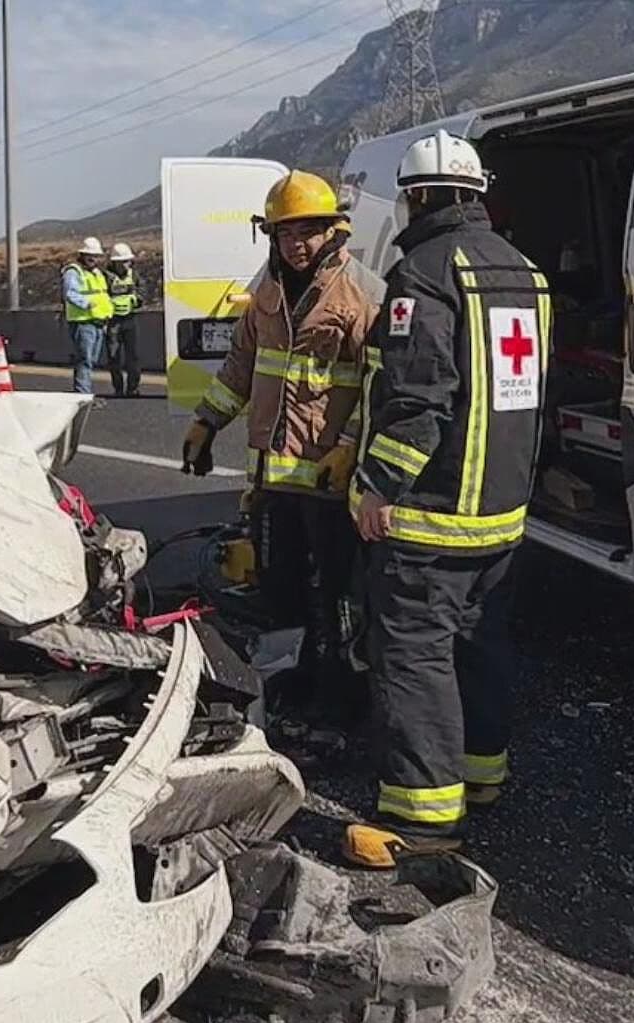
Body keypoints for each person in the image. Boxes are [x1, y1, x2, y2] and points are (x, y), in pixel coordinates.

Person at [344, 130, 549, 870]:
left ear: (419, 196)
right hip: (504, 512)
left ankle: (424, 817)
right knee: (482, 642)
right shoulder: (525, 272)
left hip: (433, 516)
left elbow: (417, 401)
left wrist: (376, 486)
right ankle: (482, 777)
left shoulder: (424, 274)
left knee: (415, 656)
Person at [181, 171, 383, 738]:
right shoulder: (267, 292)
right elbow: (242, 365)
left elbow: (379, 384)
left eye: (308, 232)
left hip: (327, 480)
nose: (296, 244)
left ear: (333, 231)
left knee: (337, 599)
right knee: (282, 591)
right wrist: (206, 421)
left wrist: (348, 449)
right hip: (274, 480)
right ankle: (290, 690)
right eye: (285, 233)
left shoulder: (361, 295)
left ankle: (341, 696)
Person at [61, 237, 114, 395]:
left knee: (91, 360)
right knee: (85, 360)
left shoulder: (97, 273)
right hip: (83, 322)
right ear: (82, 255)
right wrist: (86, 304)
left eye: (96, 256)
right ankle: (82, 395)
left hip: (99, 321)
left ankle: (85, 393)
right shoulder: (74, 272)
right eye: (90, 255)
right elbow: (70, 293)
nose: (94, 259)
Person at [102, 242, 142, 397]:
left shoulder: (134, 275)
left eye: (128, 261)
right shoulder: (106, 277)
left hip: (130, 319)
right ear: (115, 262)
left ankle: (133, 388)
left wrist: (136, 300)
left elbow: (142, 291)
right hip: (113, 321)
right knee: (114, 356)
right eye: (124, 261)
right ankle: (118, 388)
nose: (127, 264)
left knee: (133, 356)